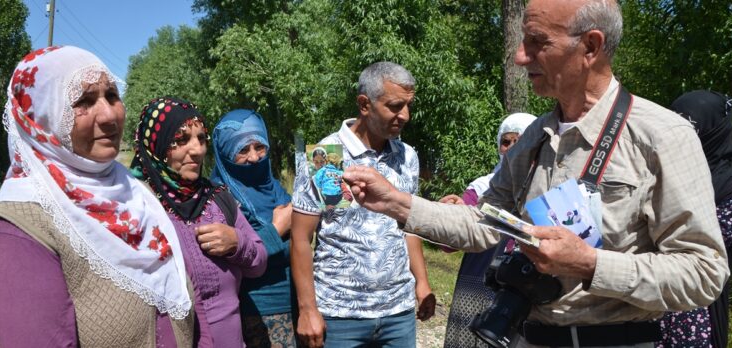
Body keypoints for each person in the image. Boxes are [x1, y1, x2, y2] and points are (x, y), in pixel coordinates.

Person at [342, 1, 729, 347]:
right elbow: (485, 223)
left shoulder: (663, 137)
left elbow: (703, 273)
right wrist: (394, 201)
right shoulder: (532, 138)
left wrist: (590, 264)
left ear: (590, 47)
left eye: (536, 42)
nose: (519, 57)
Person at [0, 46, 195, 347]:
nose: (109, 115)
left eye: (112, 96)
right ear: (41, 121)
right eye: (84, 101)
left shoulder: (133, 191)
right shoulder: (22, 227)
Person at [291, 61, 436, 348]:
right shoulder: (327, 157)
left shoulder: (407, 156)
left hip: (398, 313)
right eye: (395, 106)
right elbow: (300, 238)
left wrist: (421, 281)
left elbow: (409, 226)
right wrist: (308, 309)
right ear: (364, 104)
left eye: (408, 105)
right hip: (341, 316)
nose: (404, 115)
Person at [131, 97, 268, 347]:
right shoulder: (139, 207)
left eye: (201, 139)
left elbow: (259, 263)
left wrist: (237, 243)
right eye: (181, 140)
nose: (197, 150)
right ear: (157, 145)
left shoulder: (217, 198)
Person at [655, 90, 732, 348]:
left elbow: (688, 247)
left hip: (691, 314)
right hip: (647, 306)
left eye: (692, 128)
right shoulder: (662, 173)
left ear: (712, 131)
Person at [442, 112, 536, 348]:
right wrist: (451, 215)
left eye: (521, 140)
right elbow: (448, 245)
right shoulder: (482, 188)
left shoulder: (549, 190)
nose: (512, 148)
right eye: (506, 141)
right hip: (478, 285)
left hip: (524, 294)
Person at [210, 109, 296, 347]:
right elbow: (236, 258)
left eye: (260, 146)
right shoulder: (219, 199)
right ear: (225, 155)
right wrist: (277, 229)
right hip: (260, 312)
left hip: (299, 301)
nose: (254, 157)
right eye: (242, 150)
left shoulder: (273, 187)